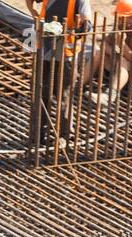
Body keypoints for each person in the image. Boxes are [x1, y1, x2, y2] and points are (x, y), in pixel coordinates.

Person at [26, 0, 94, 145]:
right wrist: (35, 14)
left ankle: (63, 136)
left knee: (64, 95)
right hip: (44, 50)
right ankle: (38, 135)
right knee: (41, 93)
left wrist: (78, 28)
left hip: (66, 53)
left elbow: (87, 26)